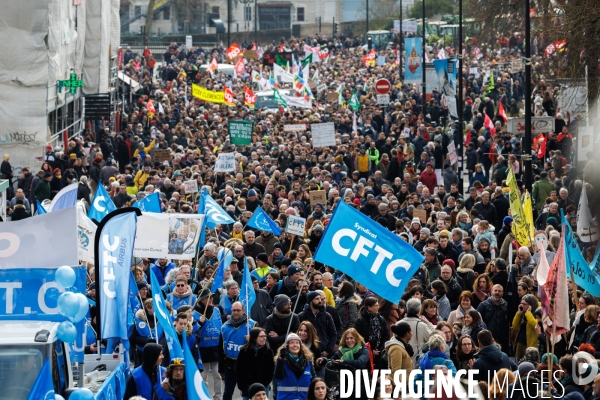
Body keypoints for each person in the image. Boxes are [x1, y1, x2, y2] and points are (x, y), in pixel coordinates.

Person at [316, 328, 370, 400]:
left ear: (356, 339)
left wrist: (344, 361)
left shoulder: (363, 349)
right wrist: (324, 360)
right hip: (345, 383)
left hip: (361, 383)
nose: (349, 340)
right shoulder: (341, 350)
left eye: (351, 338)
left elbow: (360, 363)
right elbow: (333, 360)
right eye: (347, 338)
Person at [220, 301, 256, 400]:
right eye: (234, 310)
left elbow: (263, 346)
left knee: (247, 392)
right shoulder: (224, 327)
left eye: (238, 310)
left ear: (243, 311)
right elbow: (220, 348)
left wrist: (252, 341)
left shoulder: (252, 325)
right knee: (227, 392)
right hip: (230, 364)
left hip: (246, 364)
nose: (236, 312)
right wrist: (220, 368)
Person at [194, 289, 224, 400]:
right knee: (203, 375)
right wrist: (199, 323)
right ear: (201, 300)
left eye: (211, 297)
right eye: (208, 297)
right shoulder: (194, 312)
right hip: (202, 348)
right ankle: (204, 397)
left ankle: (217, 397)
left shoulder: (216, 310)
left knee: (217, 374)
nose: (211, 299)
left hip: (216, 347)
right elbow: (192, 331)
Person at [236, 327, 275, 400]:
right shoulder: (244, 351)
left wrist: (262, 385)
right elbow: (239, 369)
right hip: (247, 387)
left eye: (265, 336)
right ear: (254, 338)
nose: (264, 338)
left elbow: (270, 370)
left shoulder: (268, 351)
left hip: (263, 386)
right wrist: (243, 386)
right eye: (261, 336)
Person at [273, 333, 316, 400]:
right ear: (287, 346)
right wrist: (281, 359)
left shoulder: (308, 361)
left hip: (304, 398)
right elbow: (278, 377)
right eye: (291, 343)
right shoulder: (281, 360)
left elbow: (314, 380)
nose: (295, 345)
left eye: (297, 342)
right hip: (285, 398)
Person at [298, 291, 337, 358]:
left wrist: (328, 350)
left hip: (324, 352)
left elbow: (333, 334)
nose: (320, 301)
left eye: (320, 298)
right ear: (310, 301)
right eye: (317, 299)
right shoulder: (301, 316)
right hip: (307, 352)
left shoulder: (327, 316)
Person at [354, 297, 390, 368]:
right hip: (366, 353)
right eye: (376, 306)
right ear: (369, 307)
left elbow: (386, 336)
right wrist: (370, 350)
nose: (378, 307)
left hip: (380, 353)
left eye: (378, 305)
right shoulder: (360, 320)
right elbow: (358, 338)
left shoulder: (381, 319)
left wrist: (380, 349)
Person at [512, 294, 540, 361]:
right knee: (519, 364)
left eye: (524, 304)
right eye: (521, 303)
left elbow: (535, 325)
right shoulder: (522, 312)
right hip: (520, 342)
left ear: (531, 305)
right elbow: (514, 326)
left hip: (531, 345)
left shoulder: (539, 311)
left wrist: (528, 313)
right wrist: (519, 314)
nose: (522, 306)